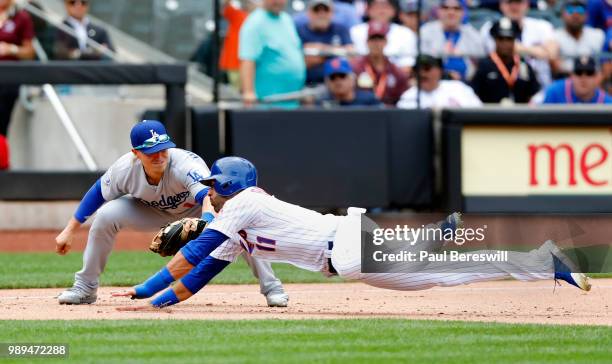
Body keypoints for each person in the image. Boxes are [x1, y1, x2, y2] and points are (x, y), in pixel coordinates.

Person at [111, 156, 591, 310]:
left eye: (216, 184)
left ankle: (538, 260)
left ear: (232, 186)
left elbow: (193, 252)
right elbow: (196, 277)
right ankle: (532, 259)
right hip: (345, 254)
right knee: (438, 278)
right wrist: (150, 298)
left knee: (432, 268)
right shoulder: (235, 223)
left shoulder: (244, 204)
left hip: (345, 246)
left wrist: (156, 282)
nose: (210, 191)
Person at [55, 120, 288, 307]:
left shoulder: (185, 164)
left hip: (198, 208)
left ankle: (272, 288)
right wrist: (69, 231)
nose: (159, 156)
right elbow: (96, 195)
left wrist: (206, 223)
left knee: (239, 225)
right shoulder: (124, 169)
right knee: (106, 216)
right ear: (136, 153)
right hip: (151, 210)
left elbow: (207, 196)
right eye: (151, 152)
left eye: (162, 149)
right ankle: (85, 287)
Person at [239, 0, 305, 107]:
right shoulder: (255, 23)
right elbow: (247, 60)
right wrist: (248, 92)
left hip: (291, 102)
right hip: (267, 104)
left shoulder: (286, 19)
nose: (278, 1)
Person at [480, 0, 559, 87]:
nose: (514, 7)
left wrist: (520, 49)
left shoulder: (542, 26)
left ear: (527, 4)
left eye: (518, 2)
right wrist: (539, 50)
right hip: (503, 84)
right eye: (509, 2)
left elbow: (552, 54)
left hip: (542, 84)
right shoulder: (490, 27)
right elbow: (504, 50)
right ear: (501, 5)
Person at [471, 17, 540, 104]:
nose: (505, 43)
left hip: (520, 115)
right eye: (501, 39)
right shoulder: (484, 65)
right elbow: (474, 95)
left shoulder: (524, 65)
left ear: (515, 40)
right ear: (495, 40)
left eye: (509, 39)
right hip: (490, 115)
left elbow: (534, 96)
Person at [0, 0, 35, 170]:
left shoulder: (21, 17)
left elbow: (30, 51)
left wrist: (11, 49)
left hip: (7, 82)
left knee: (1, 127)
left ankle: (3, 168)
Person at [420, 0, 485, 80]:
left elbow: (481, 60)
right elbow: (423, 62)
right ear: (438, 11)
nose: (451, 12)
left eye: (456, 8)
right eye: (445, 8)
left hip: (467, 83)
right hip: (435, 83)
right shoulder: (426, 31)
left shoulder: (472, 34)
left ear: (463, 12)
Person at [350, 0, 417, 74]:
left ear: (394, 10)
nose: (381, 11)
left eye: (385, 6)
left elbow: (407, 65)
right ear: (367, 9)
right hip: (361, 77)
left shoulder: (406, 33)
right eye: (377, 6)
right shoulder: (355, 31)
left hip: (394, 80)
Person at [297, 0, 354, 85]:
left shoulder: (340, 29)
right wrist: (336, 53)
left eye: (325, 10)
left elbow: (351, 56)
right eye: (316, 10)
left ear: (332, 13)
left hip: (337, 82)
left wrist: (320, 50)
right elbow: (301, 62)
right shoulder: (299, 30)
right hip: (308, 83)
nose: (321, 14)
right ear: (309, 13)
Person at [351, 22, 408, 105]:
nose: (376, 44)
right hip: (362, 112)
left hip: (389, 114)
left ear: (386, 42)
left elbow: (403, 99)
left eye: (380, 39)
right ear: (367, 42)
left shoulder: (396, 72)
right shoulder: (356, 67)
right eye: (373, 39)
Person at [397, 54, 483, 108]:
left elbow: (478, 112)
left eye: (427, 68)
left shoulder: (459, 88)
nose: (422, 73)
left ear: (439, 70)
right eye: (417, 69)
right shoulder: (408, 96)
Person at [552, 0, 605, 78]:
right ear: (562, 14)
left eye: (580, 9)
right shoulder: (554, 36)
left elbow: (605, 67)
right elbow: (555, 67)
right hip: (563, 81)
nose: (575, 14)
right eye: (570, 9)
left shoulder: (598, 35)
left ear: (586, 15)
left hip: (593, 81)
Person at [541, 56, 612, 103]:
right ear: (572, 75)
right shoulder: (554, 92)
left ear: (597, 77)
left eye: (589, 73)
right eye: (579, 73)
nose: (583, 78)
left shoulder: (607, 102)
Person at [318, 57, 382, 106]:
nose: (338, 81)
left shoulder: (369, 102)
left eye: (342, 76)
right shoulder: (322, 104)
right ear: (327, 82)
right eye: (332, 77)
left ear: (352, 78)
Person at [219, 0, 254, 90]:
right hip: (235, 63)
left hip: (252, 64)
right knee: (237, 92)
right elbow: (226, 6)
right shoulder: (238, 15)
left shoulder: (259, 19)